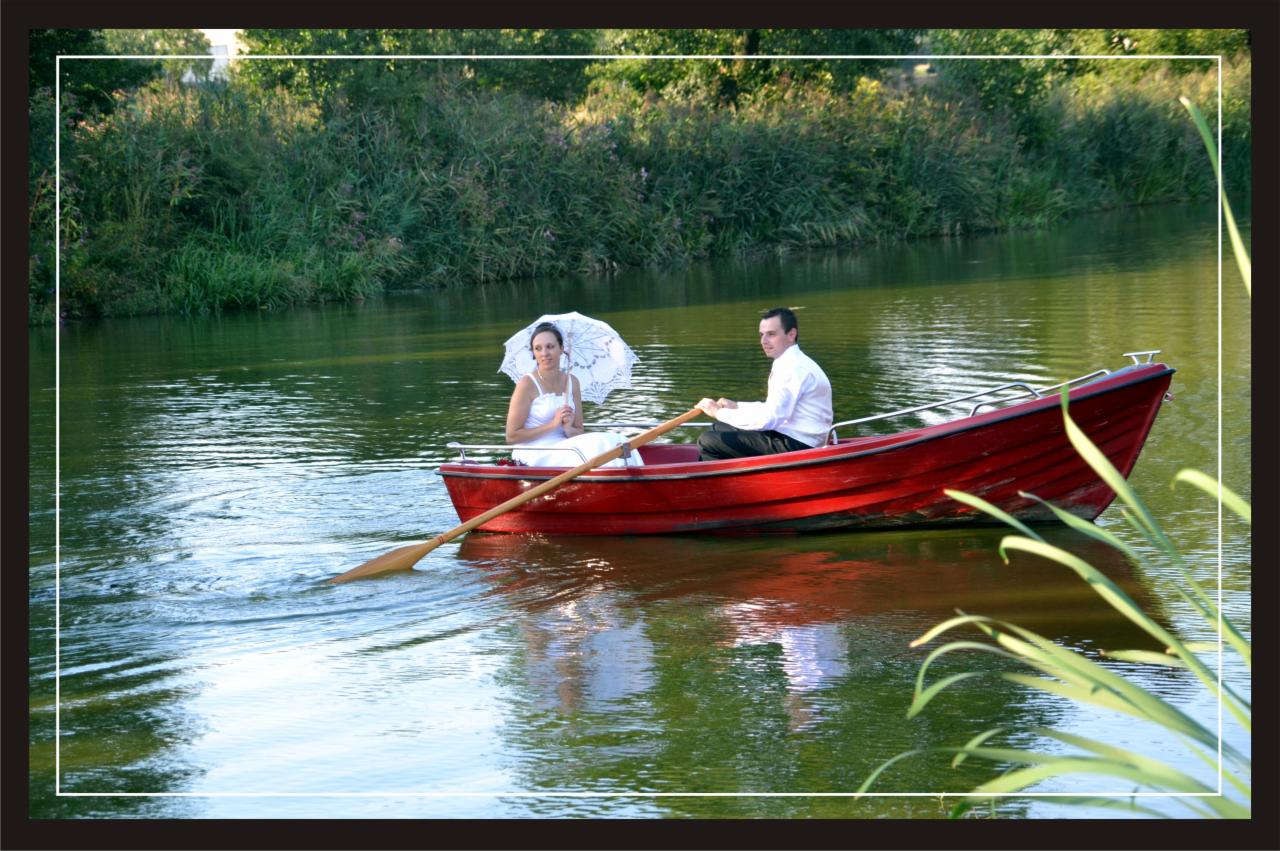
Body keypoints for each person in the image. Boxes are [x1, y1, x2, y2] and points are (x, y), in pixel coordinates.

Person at [695, 307, 833, 461]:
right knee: (718, 428)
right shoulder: (790, 361)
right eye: (762, 335)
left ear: (791, 334)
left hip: (801, 445)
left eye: (771, 334)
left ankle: (716, 482)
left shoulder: (792, 368)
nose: (763, 341)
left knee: (707, 440)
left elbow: (770, 418)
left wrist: (718, 413)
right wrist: (737, 406)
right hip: (797, 436)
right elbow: (772, 408)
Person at [505, 322, 643, 468]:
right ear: (533, 353)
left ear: (561, 348)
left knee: (616, 439)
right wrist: (553, 424)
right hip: (536, 452)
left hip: (566, 446)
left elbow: (579, 431)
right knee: (600, 444)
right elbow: (512, 436)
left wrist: (568, 428)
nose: (544, 353)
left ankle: (628, 481)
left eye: (550, 347)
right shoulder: (527, 383)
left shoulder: (572, 382)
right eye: (538, 348)